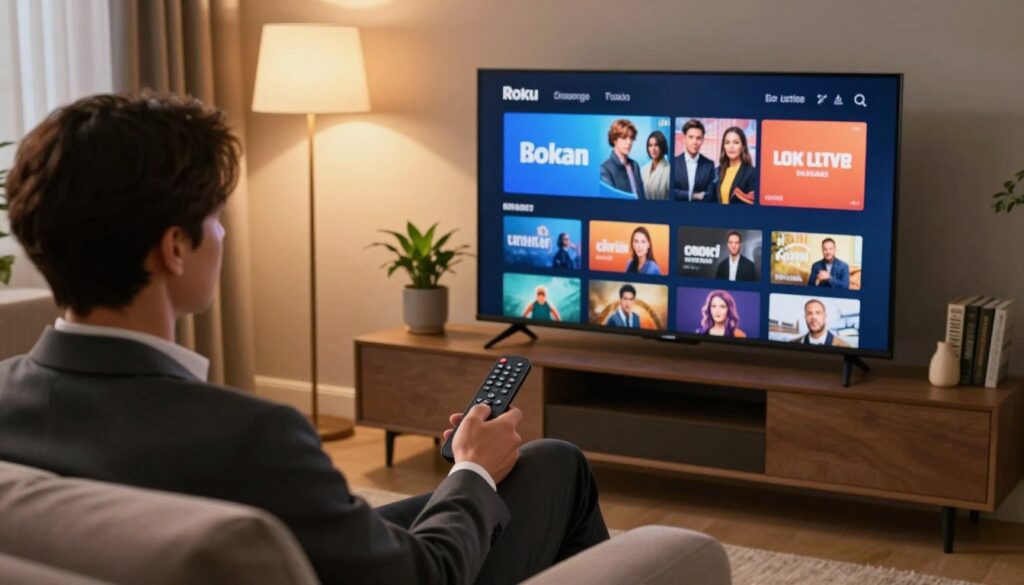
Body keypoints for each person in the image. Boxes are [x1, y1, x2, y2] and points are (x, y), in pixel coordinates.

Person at [0, 93, 608, 585]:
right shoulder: (254, 439)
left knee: (532, 469)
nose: (222, 235)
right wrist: (473, 470)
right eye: (215, 218)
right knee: (559, 468)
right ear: (175, 248)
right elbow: (427, 576)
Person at [598, 118, 646, 199]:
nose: (629, 142)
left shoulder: (635, 165)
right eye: (624, 138)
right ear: (614, 140)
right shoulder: (605, 169)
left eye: (631, 138)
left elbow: (642, 196)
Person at [708, 126, 756, 205]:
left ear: (743, 147)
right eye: (727, 142)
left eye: (736, 142)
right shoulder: (716, 171)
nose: (731, 146)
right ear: (724, 147)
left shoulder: (752, 173)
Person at [671, 119, 716, 202]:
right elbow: (670, 191)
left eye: (698, 138)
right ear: (684, 139)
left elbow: (710, 195)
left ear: (702, 140)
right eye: (691, 137)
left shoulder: (709, 165)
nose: (694, 142)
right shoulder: (673, 163)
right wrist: (693, 196)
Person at [639, 130, 670, 201]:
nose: (653, 149)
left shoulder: (669, 170)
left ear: (662, 146)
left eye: (656, 145)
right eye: (650, 145)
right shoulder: (643, 169)